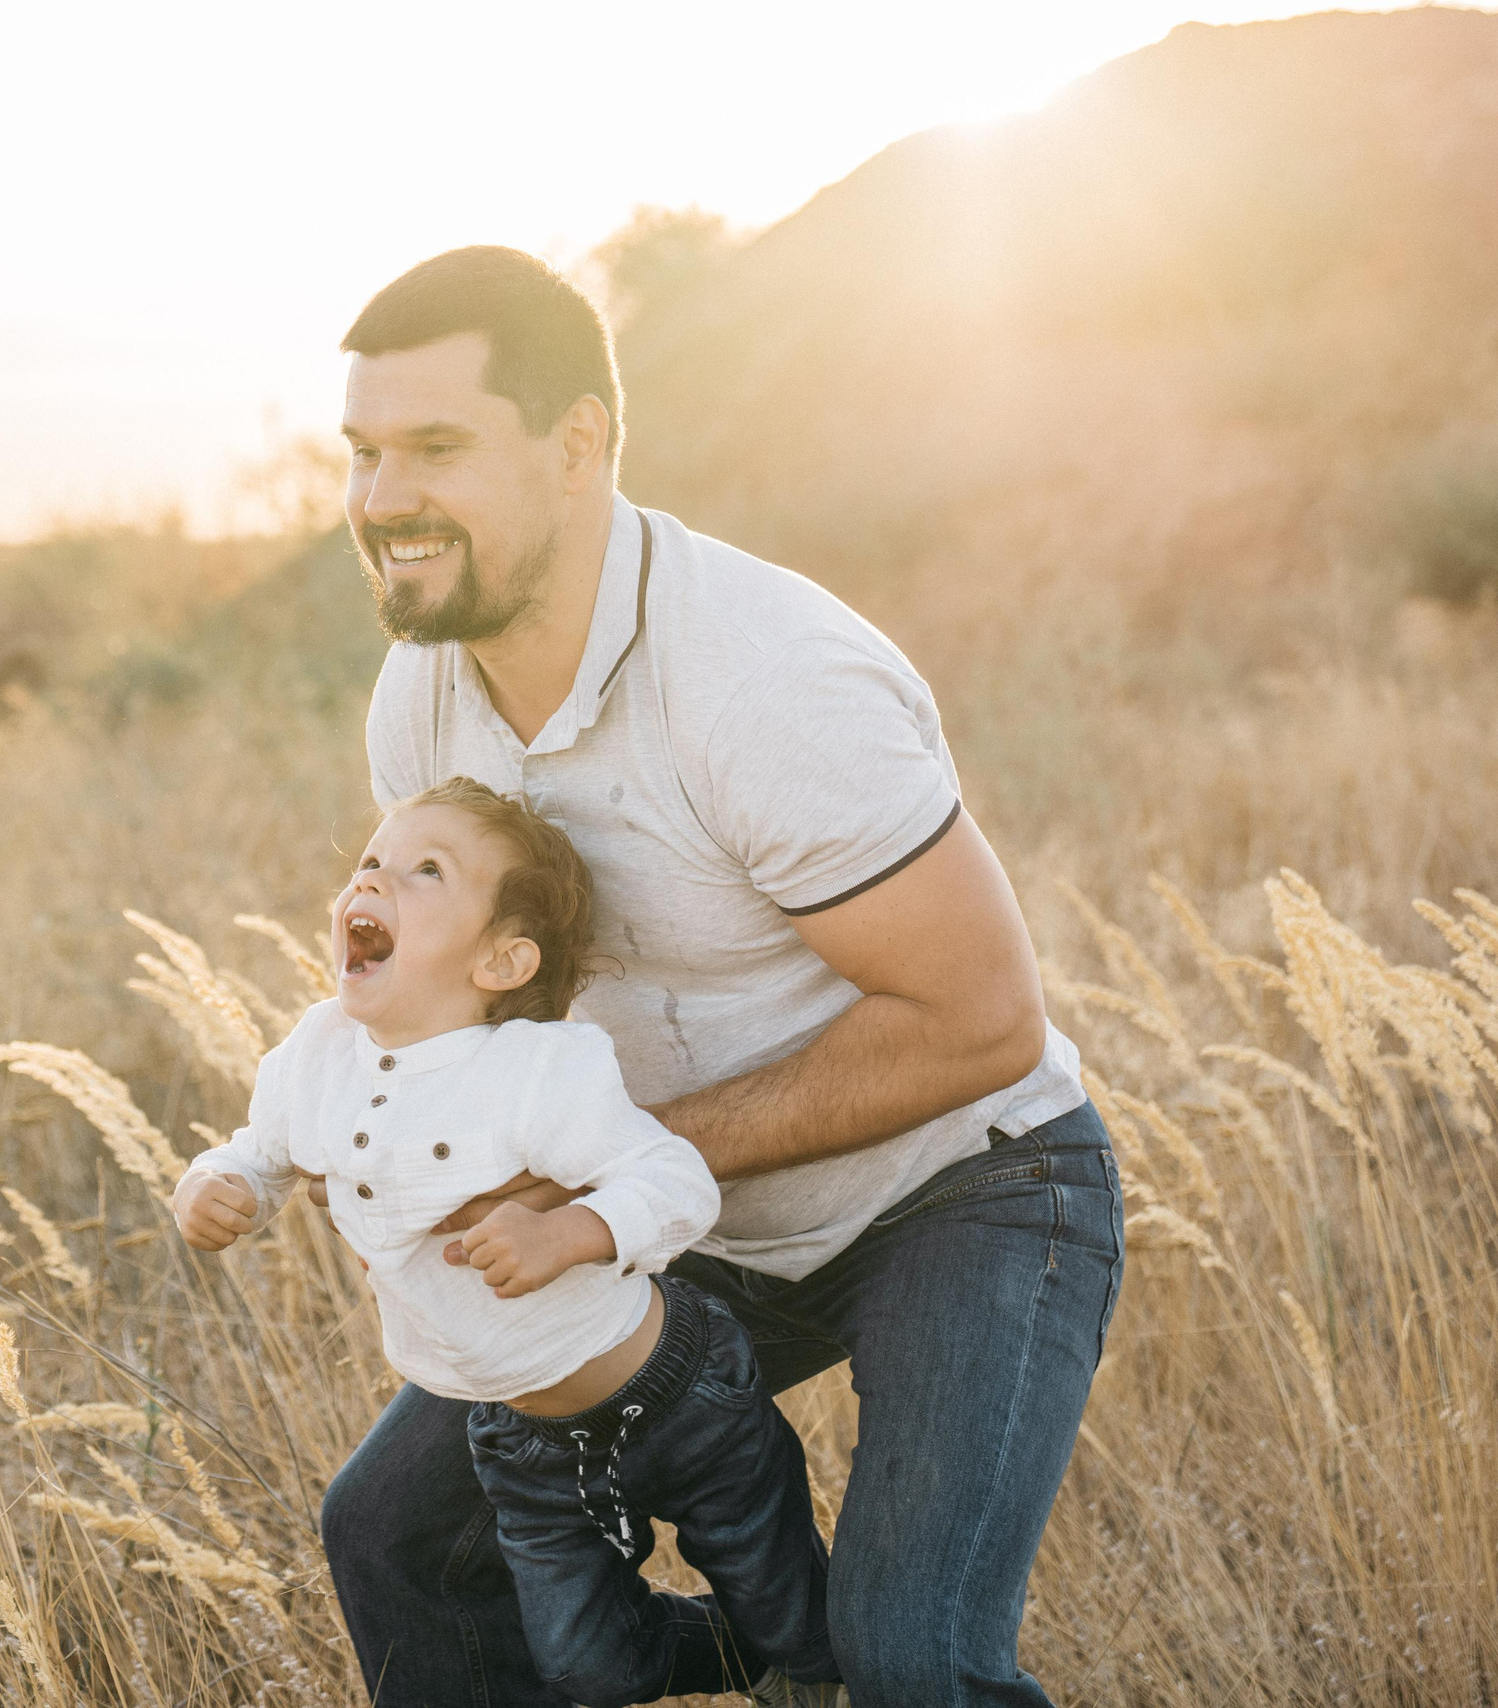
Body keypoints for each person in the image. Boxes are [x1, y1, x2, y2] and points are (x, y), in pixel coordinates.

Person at [317, 246, 1125, 1707]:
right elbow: (477, 1005)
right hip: (684, 1211)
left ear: (578, 447)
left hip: (963, 1188)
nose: (381, 501)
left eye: (436, 447)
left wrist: (615, 1181)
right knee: (395, 1539)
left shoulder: (764, 680)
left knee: (905, 1663)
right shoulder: (421, 700)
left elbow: (984, 1026)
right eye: (364, 454)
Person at [173, 777, 844, 1706]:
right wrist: (217, 1186)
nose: (373, 881)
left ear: (502, 961)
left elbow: (675, 1183)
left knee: (791, 1607)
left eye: (425, 871)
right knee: (587, 1666)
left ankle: (813, 1660)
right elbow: (259, 1154)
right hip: (520, 1438)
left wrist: (569, 1231)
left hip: (677, 1393)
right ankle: (747, 1661)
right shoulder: (315, 1056)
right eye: (372, 861)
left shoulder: (537, 1071)